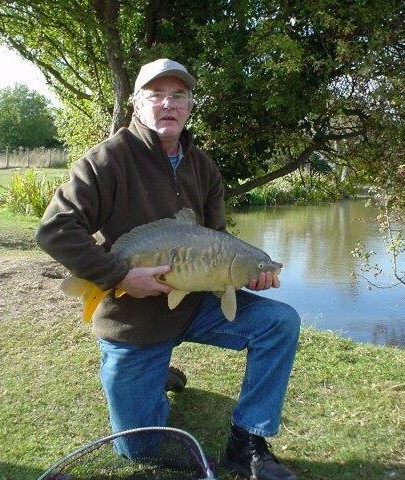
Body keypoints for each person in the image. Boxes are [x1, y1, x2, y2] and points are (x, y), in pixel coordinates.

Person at [36, 58, 301, 480]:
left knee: (279, 322)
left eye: (178, 95)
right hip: (134, 321)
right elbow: (54, 230)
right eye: (155, 95)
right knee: (137, 449)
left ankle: (248, 439)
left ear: (189, 106)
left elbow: (216, 245)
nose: (167, 104)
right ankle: (155, 371)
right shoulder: (107, 160)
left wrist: (248, 275)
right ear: (137, 105)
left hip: (191, 307)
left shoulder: (203, 166)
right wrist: (119, 277)